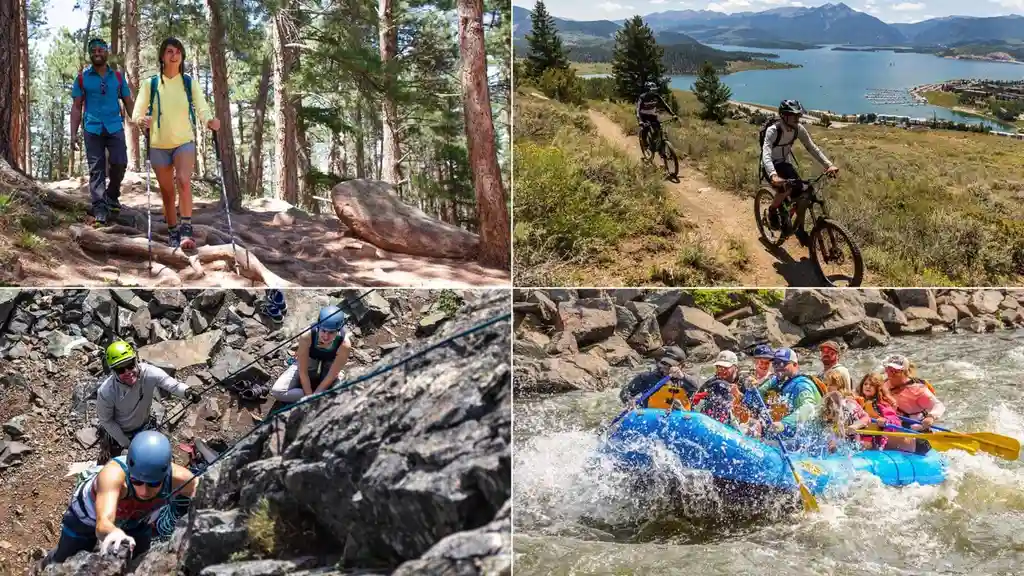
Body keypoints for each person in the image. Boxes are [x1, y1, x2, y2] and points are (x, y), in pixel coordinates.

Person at [39, 431, 197, 567]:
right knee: (65, 557)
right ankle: (47, 564)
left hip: (136, 519)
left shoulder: (180, 479)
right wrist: (113, 533)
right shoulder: (113, 476)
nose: (144, 491)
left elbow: (205, 490)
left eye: (154, 483)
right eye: (136, 481)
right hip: (87, 515)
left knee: (138, 559)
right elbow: (104, 521)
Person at [131, 37, 219, 250]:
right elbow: (136, 114)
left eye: (178, 52)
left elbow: (202, 107)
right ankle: (172, 231)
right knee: (168, 192)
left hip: (183, 142)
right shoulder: (151, 84)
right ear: (162, 56)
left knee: (183, 180)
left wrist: (209, 120)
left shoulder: (188, 83)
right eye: (170, 51)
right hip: (158, 145)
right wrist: (142, 120)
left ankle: (186, 230)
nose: (174, 55)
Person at [96, 341, 201, 463]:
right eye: (120, 370)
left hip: (144, 424)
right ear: (114, 372)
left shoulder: (149, 373)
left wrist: (187, 392)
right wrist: (126, 443)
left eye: (130, 365)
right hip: (122, 432)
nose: (128, 372)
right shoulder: (107, 392)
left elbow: (171, 384)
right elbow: (106, 420)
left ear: (136, 361)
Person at [71, 38, 135, 227]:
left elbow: (128, 101)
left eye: (100, 50)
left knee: (120, 162)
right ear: (90, 54)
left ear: (106, 52)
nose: (97, 53)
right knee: (96, 170)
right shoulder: (82, 79)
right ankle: (99, 207)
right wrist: (73, 134)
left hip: (114, 126)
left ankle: (112, 196)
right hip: (92, 128)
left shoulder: (117, 77)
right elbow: (76, 107)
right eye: (93, 51)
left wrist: (140, 122)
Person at [760, 99, 840, 245]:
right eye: (794, 115)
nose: (798, 118)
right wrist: (773, 175)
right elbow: (766, 153)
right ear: (784, 116)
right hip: (770, 166)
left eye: (799, 115)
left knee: (803, 193)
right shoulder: (773, 130)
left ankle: (799, 228)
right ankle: (772, 211)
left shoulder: (798, 129)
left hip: (784, 164)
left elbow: (811, 147)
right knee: (785, 189)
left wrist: (828, 165)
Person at [271, 305, 353, 404]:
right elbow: (303, 372)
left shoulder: (344, 344)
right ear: (319, 326)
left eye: (331, 332)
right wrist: (310, 397)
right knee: (277, 392)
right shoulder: (307, 335)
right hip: (310, 361)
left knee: (340, 393)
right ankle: (319, 397)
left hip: (330, 365)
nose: (326, 336)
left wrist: (316, 394)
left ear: (338, 330)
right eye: (323, 330)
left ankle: (322, 395)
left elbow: (331, 375)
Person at [747, 348, 822, 437]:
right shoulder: (776, 380)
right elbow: (754, 401)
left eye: (782, 363)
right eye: (775, 364)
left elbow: (808, 408)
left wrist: (784, 424)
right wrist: (751, 389)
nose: (778, 367)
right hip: (781, 433)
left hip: (805, 438)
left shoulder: (802, 385)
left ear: (795, 365)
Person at [883, 354, 945, 454]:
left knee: (884, 439)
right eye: (888, 369)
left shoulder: (917, 390)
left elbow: (938, 405)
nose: (890, 374)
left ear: (904, 372)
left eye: (895, 371)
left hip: (917, 436)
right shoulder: (883, 385)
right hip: (894, 430)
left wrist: (931, 417)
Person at [619, 345, 700, 407]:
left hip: (682, 417)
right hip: (651, 416)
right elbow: (625, 392)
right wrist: (629, 401)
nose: (665, 367)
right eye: (663, 363)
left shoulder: (688, 378)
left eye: (670, 365)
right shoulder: (647, 377)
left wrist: (682, 377)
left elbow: (696, 387)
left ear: (681, 366)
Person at [692, 351, 745, 426]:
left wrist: (738, 394)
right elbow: (696, 400)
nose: (721, 370)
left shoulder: (744, 383)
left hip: (737, 421)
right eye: (719, 367)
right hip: (714, 421)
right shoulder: (712, 383)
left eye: (725, 367)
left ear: (735, 368)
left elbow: (751, 406)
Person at [855, 372, 904, 451]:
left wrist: (885, 421)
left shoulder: (881, 404)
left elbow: (896, 421)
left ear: (878, 388)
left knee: (862, 444)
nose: (868, 386)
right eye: (865, 384)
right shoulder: (857, 402)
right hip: (858, 436)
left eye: (871, 385)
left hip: (873, 439)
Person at [635, 82, 677, 153]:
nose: (654, 92)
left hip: (652, 115)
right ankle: (645, 143)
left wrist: (673, 114)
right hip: (643, 115)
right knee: (645, 128)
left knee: (658, 129)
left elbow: (665, 105)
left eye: (655, 90)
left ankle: (658, 146)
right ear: (648, 90)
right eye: (652, 90)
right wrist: (640, 121)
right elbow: (637, 109)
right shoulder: (642, 97)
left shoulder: (656, 96)